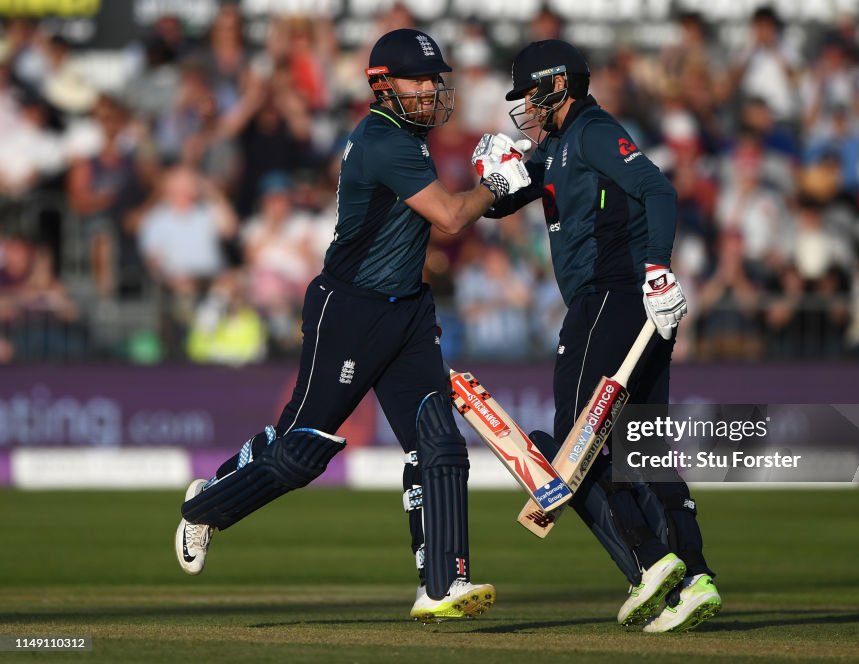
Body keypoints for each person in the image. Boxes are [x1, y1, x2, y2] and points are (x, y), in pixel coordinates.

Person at [173, 28, 531, 623]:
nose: (432, 89)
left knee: (439, 443)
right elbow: (446, 216)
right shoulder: (381, 139)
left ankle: (443, 586)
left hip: (409, 310)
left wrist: (514, 181)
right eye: (419, 79)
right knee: (300, 454)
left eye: (434, 78)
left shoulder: (409, 138)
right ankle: (206, 506)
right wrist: (494, 187)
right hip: (351, 310)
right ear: (383, 86)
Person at [475, 39, 719, 633]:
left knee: (571, 447)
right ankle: (693, 579)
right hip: (635, 305)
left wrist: (658, 267)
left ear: (559, 85)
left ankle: (647, 562)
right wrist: (492, 179)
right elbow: (502, 201)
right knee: (646, 447)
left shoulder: (589, 131)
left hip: (611, 297)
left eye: (531, 92)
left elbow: (658, 189)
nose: (525, 106)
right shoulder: (559, 147)